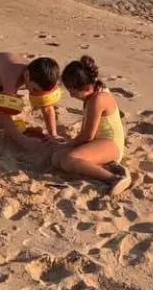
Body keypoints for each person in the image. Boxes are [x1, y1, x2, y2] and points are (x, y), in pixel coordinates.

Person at [51, 55, 132, 197]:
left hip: (110, 144)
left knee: (68, 159)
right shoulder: (93, 93)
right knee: (57, 159)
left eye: (73, 91)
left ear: (86, 87)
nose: (71, 95)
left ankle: (115, 178)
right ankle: (105, 167)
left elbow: (88, 135)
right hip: (99, 142)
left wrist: (68, 144)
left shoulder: (98, 99)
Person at [0, 53, 63, 138]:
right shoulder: (13, 78)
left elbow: (47, 108)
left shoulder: (39, 77)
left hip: (0, 81)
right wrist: (23, 140)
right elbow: (3, 113)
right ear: (27, 75)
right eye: (34, 89)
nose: (35, 94)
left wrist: (53, 134)